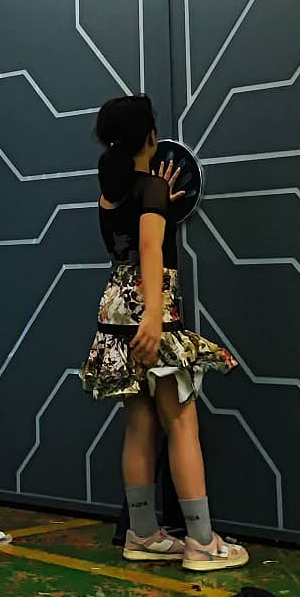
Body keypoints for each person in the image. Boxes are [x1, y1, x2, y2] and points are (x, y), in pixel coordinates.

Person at [84, 94, 247, 572]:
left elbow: (130, 237)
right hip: (151, 313)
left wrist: (161, 205)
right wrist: (155, 316)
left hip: (114, 314)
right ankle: (202, 543)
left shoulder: (111, 191)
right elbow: (151, 249)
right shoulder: (151, 188)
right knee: (181, 423)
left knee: (139, 423)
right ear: (151, 137)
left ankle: (142, 534)